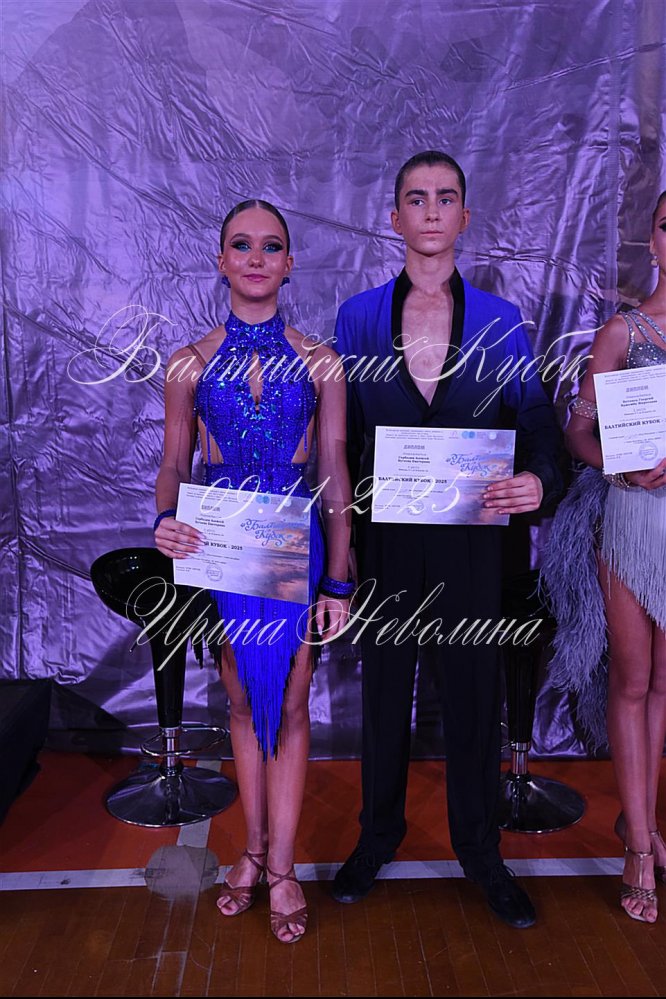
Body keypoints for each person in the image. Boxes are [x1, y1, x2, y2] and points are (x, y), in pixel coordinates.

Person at [331, 150, 563, 929]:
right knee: (383, 696)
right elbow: (341, 438)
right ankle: (377, 837)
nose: (431, 210)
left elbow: (538, 423)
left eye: (445, 197)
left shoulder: (502, 320)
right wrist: (342, 536)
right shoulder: (357, 317)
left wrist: (539, 480)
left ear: (465, 215)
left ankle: (481, 851)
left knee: (473, 697)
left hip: (473, 542)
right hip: (388, 539)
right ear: (394, 216)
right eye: (416, 197)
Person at [154, 199, 352, 943]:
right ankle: (254, 850)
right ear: (221, 261)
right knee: (239, 698)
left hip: (294, 537)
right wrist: (163, 517)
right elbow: (174, 461)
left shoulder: (321, 360)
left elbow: (334, 469)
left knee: (293, 702)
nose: (257, 257)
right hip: (224, 537)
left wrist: (339, 576)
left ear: (289, 264)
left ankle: (284, 866)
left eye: (272, 246)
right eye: (242, 245)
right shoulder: (189, 361)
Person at [542, 191, 666, 924]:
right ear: (652, 238)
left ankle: (639, 819)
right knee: (633, 676)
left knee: (665, 682)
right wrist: (620, 465)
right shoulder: (623, 331)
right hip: (630, 518)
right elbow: (576, 433)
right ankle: (640, 848)